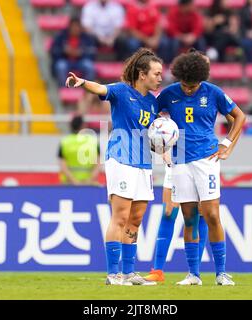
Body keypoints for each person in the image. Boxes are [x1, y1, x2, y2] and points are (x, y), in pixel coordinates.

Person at [65, 48, 163, 286]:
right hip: (121, 159)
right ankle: (113, 274)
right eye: (157, 73)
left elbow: (152, 134)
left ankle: (129, 273)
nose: (160, 78)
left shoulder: (152, 102)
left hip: (143, 163)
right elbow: (101, 89)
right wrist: (82, 82)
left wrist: (162, 146)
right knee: (120, 216)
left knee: (136, 218)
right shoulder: (121, 91)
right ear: (142, 74)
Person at [156, 49, 246, 285]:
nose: (188, 89)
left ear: (201, 79)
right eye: (185, 85)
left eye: (193, 85)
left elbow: (240, 117)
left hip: (207, 160)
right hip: (179, 162)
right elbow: (150, 118)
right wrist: (158, 143)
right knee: (189, 218)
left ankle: (221, 273)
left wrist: (227, 144)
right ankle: (193, 274)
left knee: (212, 215)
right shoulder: (168, 94)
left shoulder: (213, 92)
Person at [144, 165, 209, 282]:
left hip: (198, 162)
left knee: (199, 213)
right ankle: (157, 271)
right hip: (176, 163)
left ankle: (194, 272)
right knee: (168, 213)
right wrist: (164, 151)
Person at [51, 15, 97, 87]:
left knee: (89, 66)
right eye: (73, 26)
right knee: (60, 66)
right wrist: (64, 51)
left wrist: (81, 53)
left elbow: (92, 52)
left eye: (77, 27)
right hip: (65, 60)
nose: (75, 29)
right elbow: (54, 50)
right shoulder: (61, 36)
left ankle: (88, 90)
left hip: (81, 61)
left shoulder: (86, 37)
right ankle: (64, 89)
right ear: (69, 27)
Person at [57, 115, 101, 185]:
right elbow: (98, 164)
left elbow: (63, 166)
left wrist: (75, 181)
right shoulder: (93, 141)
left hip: (68, 184)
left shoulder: (64, 142)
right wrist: (89, 180)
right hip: (90, 184)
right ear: (83, 125)